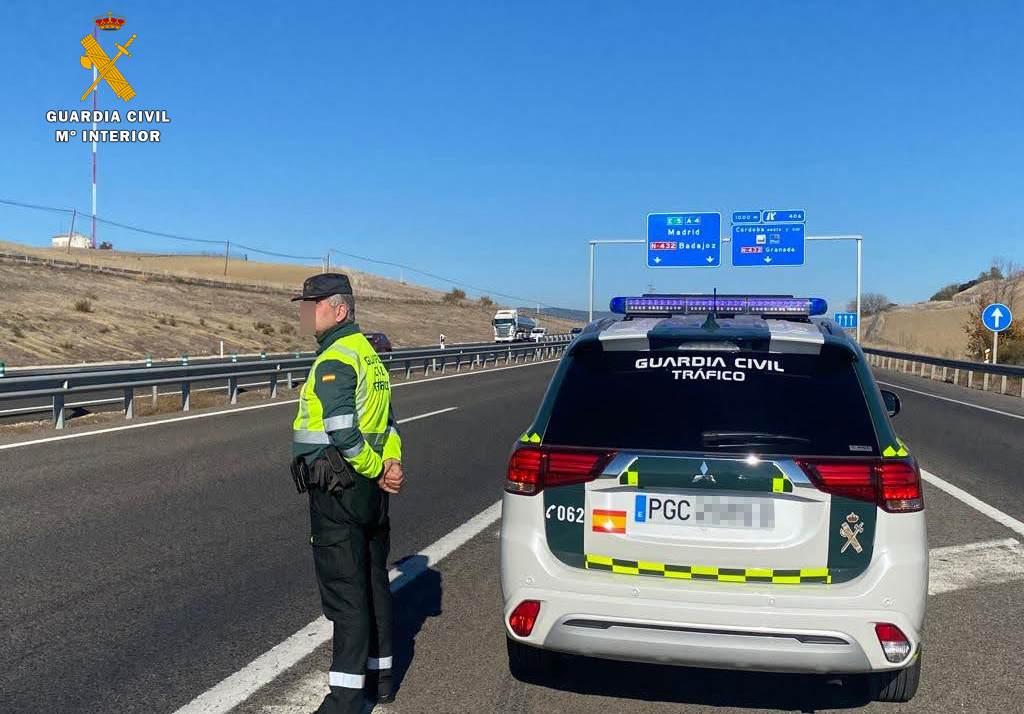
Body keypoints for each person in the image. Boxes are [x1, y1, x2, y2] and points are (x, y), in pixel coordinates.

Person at [289, 273, 405, 713]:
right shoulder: (370, 357)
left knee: (346, 594)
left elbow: (341, 429)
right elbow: (389, 423)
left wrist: (376, 469)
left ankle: (344, 701)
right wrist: (390, 466)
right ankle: (382, 678)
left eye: (312, 304)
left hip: (341, 489)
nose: (305, 312)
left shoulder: (336, 358)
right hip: (372, 491)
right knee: (374, 583)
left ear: (338, 309)